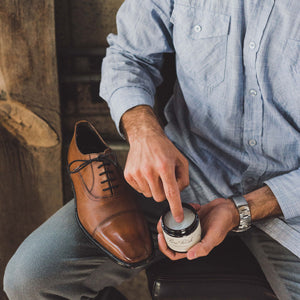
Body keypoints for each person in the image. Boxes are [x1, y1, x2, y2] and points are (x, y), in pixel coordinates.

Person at [4, 0, 300, 299]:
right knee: (32, 279)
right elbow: (129, 57)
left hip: (291, 204)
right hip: (182, 176)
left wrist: (243, 208)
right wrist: (143, 131)